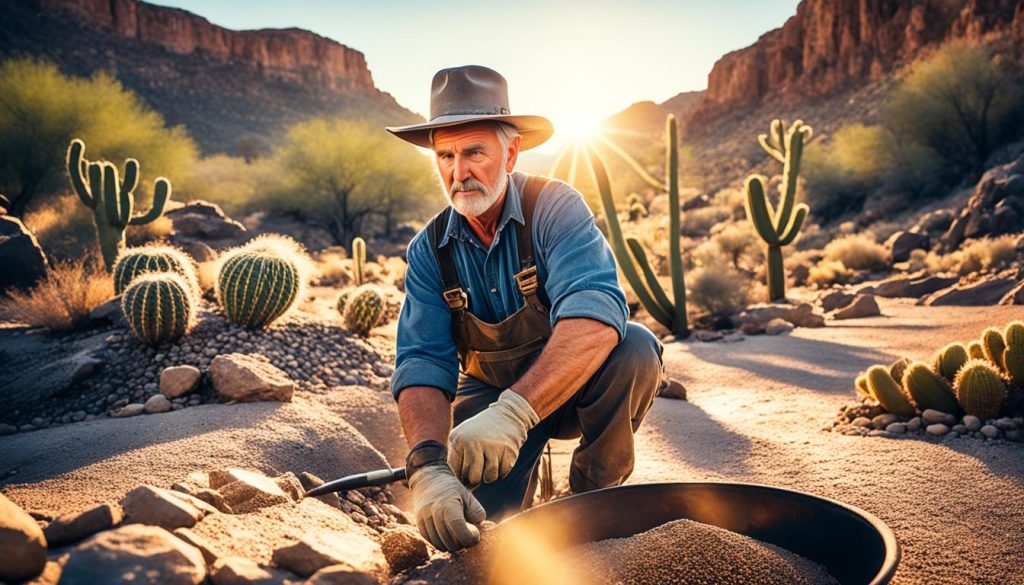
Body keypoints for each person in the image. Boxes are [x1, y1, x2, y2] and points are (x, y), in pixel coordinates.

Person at [385, 65, 663, 553]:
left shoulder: (554, 208)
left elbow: (597, 315)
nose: (458, 171)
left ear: (510, 152)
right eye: (445, 155)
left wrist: (514, 415)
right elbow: (421, 362)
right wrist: (428, 466)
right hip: (487, 404)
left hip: (574, 392)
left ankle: (595, 501)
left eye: (474, 152)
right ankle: (512, 502)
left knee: (635, 348)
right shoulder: (429, 249)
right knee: (486, 533)